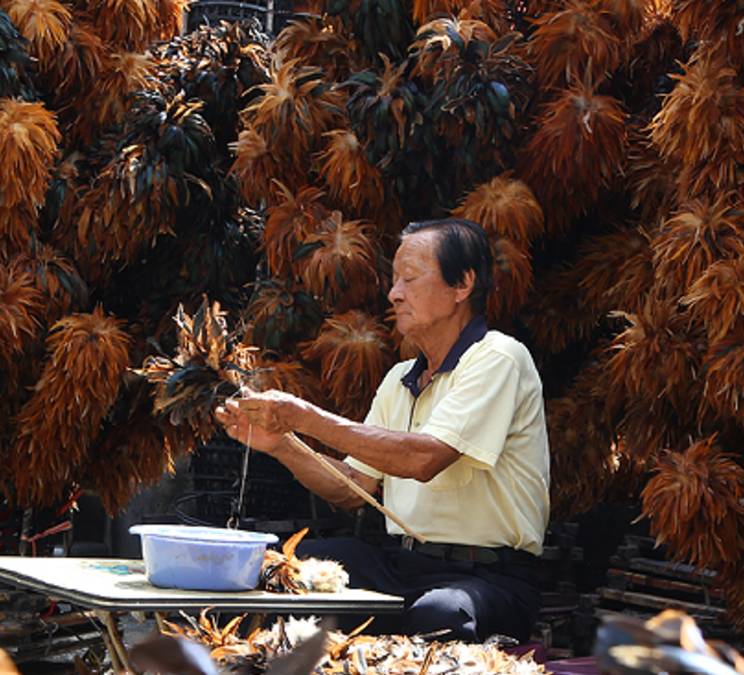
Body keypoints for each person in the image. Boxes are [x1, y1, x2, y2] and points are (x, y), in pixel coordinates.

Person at [215, 217, 550, 641]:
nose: (394, 294)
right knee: (274, 568)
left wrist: (303, 416)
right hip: (402, 565)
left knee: (441, 612)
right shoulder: (399, 380)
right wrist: (283, 445)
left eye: (410, 279)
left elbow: (422, 458)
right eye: (394, 280)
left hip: (491, 576)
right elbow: (353, 486)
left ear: (462, 284)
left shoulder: (499, 358)